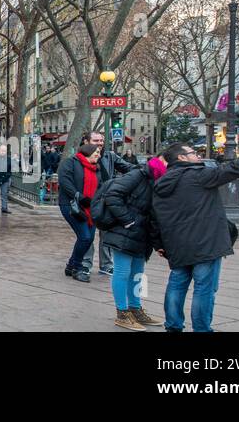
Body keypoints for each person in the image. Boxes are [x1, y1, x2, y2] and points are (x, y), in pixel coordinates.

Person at [151, 135, 239, 332]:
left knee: (177, 284)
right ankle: (201, 328)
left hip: (176, 245)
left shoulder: (161, 183)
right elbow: (235, 168)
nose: (197, 155)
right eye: (193, 153)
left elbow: (155, 216)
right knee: (204, 288)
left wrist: (158, 243)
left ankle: (173, 326)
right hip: (205, 244)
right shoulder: (198, 175)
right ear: (182, 158)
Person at [98, 155, 164, 330]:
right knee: (122, 271)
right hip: (125, 231)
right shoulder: (138, 174)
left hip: (141, 233)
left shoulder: (157, 178)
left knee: (138, 273)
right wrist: (127, 220)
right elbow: (112, 195)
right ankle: (122, 312)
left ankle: (135, 309)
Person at [85, 131, 127, 274]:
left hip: (105, 201)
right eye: (96, 140)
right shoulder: (79, 158)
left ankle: (106, 264)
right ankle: (85, 263)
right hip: (88, 201)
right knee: (87, 234)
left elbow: (128, 168)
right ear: (86, 142)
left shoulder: (110, 156)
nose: (100, 143)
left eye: (101, 140)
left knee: (106, 233)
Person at [57, 143, 101, 282]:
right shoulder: (70, 163)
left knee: (89, 237)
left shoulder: (97, 168)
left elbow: (101, 185)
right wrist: (79, 197)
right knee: (85, 237)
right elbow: (65, 182)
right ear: (88, 152)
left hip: (90, 207)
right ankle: (77, 267)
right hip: (72, 205)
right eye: (96, 153)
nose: (99, 156)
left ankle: (71, 265)